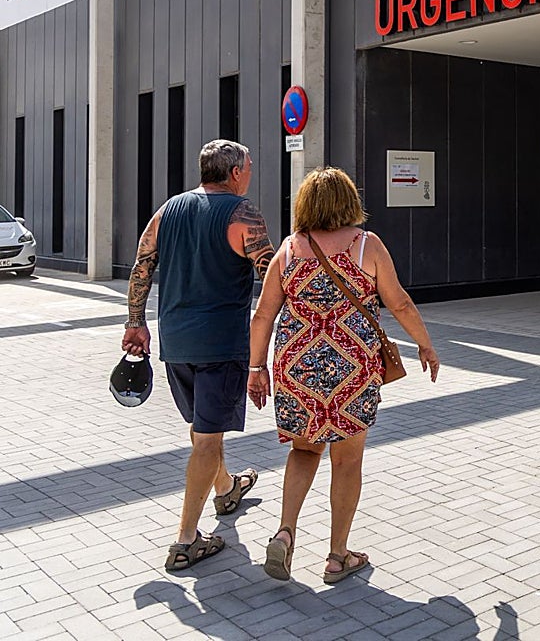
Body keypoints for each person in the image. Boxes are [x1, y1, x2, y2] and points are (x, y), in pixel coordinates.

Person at [247, 167, 440, 583]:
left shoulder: (289, 250)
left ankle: (285, 532)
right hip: (350, 367)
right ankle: (337, 556)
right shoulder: (366, 245)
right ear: (349, 201)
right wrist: (425, 344)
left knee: (304, 451)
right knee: (347, 460)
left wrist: (256, 368)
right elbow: (400, 303)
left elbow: (263, 313)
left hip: (296, 367)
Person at [122, 139, 276, 571]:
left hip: (176, 343)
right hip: (221, 345)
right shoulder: (243, 213)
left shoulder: (168, 209)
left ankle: (226, 488)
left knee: (203, 428)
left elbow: (142, 265)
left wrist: (136, 322)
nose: (250, 172)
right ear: (235, 173)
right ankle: (186, 539)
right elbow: (271, 274)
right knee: (207, 438)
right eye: (248, 165)